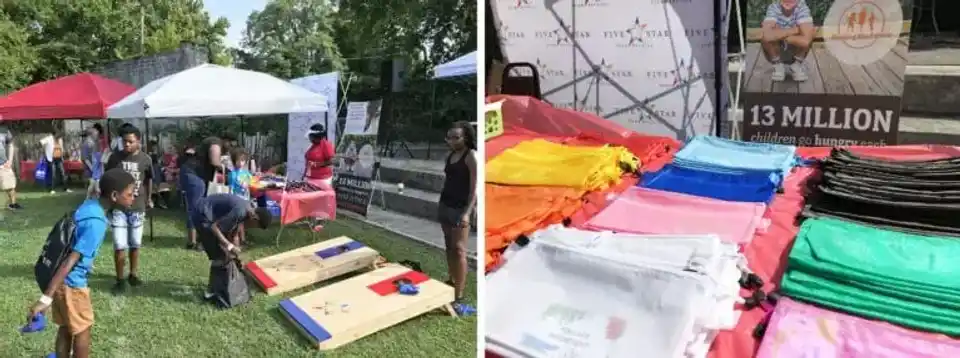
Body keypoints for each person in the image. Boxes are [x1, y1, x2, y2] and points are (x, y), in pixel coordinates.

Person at [26, 169, 136, 358]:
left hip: (61, 283)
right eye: (130, 194)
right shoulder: (97, 222)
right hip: (72, 285)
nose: (133, 197)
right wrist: (45, 299)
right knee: (82, 330)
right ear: (115, 196)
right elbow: (70, 260)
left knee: (66, 326)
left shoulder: (89, 206)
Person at [190, 194, 272, 301]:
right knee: (219, 255)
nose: (252, 227)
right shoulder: (240, 211)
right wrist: (229, 246)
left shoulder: (248, 208)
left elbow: (234, 232)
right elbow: (215, 228)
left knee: (225, 253)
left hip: (210, 215)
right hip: (202, 215)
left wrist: (237, 254)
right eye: (255, 226)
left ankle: (219, 286)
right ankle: (211, 292)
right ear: (255, 218)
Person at [104, 125, 153, 294]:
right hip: (118, 208)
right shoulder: (114, 158)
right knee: (119, 244)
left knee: (135, 243)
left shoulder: (145, 159)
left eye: (130, 142)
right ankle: (119, 279)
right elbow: (107, 179)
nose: (126, 145)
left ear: (138, 141)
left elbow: (149, 179)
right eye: (124, 141)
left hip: (138, 208)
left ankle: (133, 274)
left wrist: (149, 198)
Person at [438, 121, 477, 312]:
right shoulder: (451, 155)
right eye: (449, 137)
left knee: (460, 249)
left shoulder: (471, 156)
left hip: (461, 209)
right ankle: (451, 280)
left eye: (456, 137)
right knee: (449, 246)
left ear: (466, 137)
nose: (452, 141)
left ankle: (458, 295)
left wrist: (468, 213)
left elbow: (474, 189)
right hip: (445, 204)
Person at [760, 0, 814, 82]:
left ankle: (796, 66)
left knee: (811, 34)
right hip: (777, 51)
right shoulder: (774, 7)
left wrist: (779, 34)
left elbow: (806, 41)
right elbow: (767, 36)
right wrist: (796, 30)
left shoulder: (802, 7)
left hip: (795, 49)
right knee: (764, 38)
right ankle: (778, 67)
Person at [178, 142, 205, 250]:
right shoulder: (200, 157)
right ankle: (193, 241)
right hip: (195, 180)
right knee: (195, 209)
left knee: (193, 209)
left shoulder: (186, 162)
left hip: (191, 178)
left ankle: (193, 240)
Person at [0, 126, 22, 209]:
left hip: (3, 163)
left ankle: (13, 204)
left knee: (10, 185)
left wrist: (10, 160)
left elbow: (11, 145)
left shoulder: (4, 131)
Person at [81, 127, 103, 199]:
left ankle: (93, 200)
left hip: (94, 168)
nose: (97, 136)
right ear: (91, 135)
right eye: (95, 134)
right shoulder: (86, 144)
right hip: (90, 169)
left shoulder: (93, 143)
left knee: (94, 187)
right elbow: (85, 158)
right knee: (92, 186)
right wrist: (92, 168)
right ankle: (88, 200)